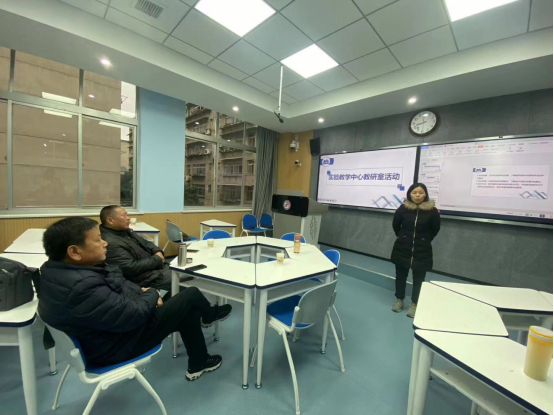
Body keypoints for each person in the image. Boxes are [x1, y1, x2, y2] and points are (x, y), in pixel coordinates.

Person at [38, 217, 232, 381]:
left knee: (184, 306)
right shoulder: (83, 286)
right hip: (116, 347)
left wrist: (141, 292)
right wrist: (151, 294)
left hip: (104, 335)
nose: (105, 243)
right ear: (74, 252)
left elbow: (118, 284)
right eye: (98, 240)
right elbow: (135, 314)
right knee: (190, 294)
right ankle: (208, 319)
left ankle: (199, 360)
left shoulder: (56, 271)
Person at [390, 183, 441, 318]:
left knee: (419, 279)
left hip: (422, 249)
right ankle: (399, 299)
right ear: (409, 194)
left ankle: (414, 304)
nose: (417, 195)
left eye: (421, 192)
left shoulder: (432, 211)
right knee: (400, 276)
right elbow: (396, 225)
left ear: (425, 194)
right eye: (414, 192)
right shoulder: (403, 209)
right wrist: (403, 237)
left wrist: (425, 239)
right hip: (403, 247)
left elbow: (435, 229)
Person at [99, 205, 173, 292]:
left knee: (181, 272)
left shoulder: (125, 231)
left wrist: (158, 251)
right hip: (147, 279)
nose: (128, 218)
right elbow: (131, 268)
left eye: (127, 215)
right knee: (182, 278)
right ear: (110, 220)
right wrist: (157, 259)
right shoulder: (110, 242)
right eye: (124, 215)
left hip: (155, 268)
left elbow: (146, 243)